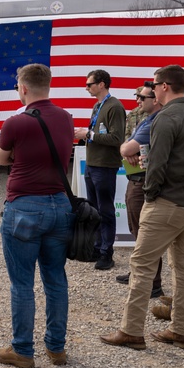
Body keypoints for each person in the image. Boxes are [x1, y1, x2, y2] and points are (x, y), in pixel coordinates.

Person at [101, 65, 184, 352]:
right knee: (183, 266)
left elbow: (157, 166)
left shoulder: (165, 117)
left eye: (155, 84)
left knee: (142, 265)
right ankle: (180, 329)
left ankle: (132, 330)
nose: (152, 89)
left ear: (164, 86)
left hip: (168, 202)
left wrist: (149, 196)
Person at [0, 64, 74, 368]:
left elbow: (1, 159)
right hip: (60, 205)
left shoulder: (16, 122)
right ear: (48, 85)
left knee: (22, 282)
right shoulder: (66, 118)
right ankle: (57, 347)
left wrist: (17, 153)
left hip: (25, 206)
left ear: (23, 88)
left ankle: (23, 349)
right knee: (55, 279)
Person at [114, 83, 165, 299]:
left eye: (142, 98)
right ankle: (141, 274)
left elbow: (126, 148)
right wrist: (128, 152)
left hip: (143, 181)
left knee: (146, 233)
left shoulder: (156, 120)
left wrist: (128, 151)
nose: (138, 102)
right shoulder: (144, 119)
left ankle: (152, 282)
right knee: (138, 230)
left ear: (155, 100)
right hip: (135, 177)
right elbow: (126, 145)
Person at [74, 69, 126, 271]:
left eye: (90, 84)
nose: (87, 87)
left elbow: (116, 138)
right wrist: (87, 134)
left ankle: (107, 252)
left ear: (102, 84)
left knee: (105, 210)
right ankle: (97, 248)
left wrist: (89, 134)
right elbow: (97, 132)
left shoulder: (114, 107)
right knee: (94, 210)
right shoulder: (98, 105)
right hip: (92, 163)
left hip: (105, 166)